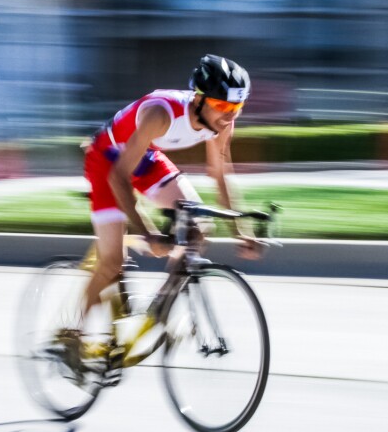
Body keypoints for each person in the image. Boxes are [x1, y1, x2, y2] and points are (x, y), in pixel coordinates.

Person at [79, 54, 262, 323]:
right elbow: (118, 176)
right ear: (199, 99)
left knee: (198, 229)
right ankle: (74, 334)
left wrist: (240, 232)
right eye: (221, 105)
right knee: (112, 263)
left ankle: (159, 311)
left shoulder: (222, 122)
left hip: (144, 157)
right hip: (107, 160)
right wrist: (149, 232)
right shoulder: (161, 114)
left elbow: (220, 174)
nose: (228, 115)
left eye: (236, 108)